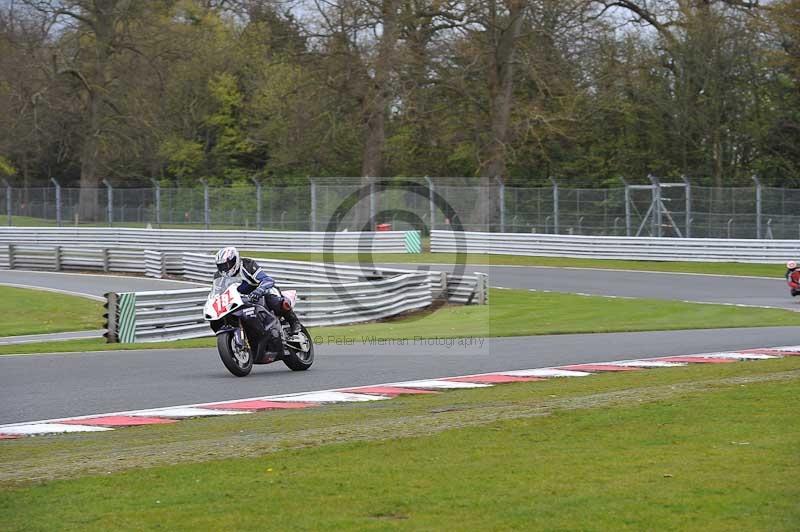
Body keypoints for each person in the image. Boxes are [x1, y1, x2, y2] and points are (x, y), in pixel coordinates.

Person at [214, 246, 302, 334]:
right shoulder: (219, 276)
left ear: (235, 260)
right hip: (240, 299)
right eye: (222, 266)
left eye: (227, 264)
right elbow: (217, 292)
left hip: (260, 292)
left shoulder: (247, 265)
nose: (225, 268)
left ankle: (294, 322)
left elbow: (267, 280)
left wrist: (259, 290)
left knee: (272, 299)